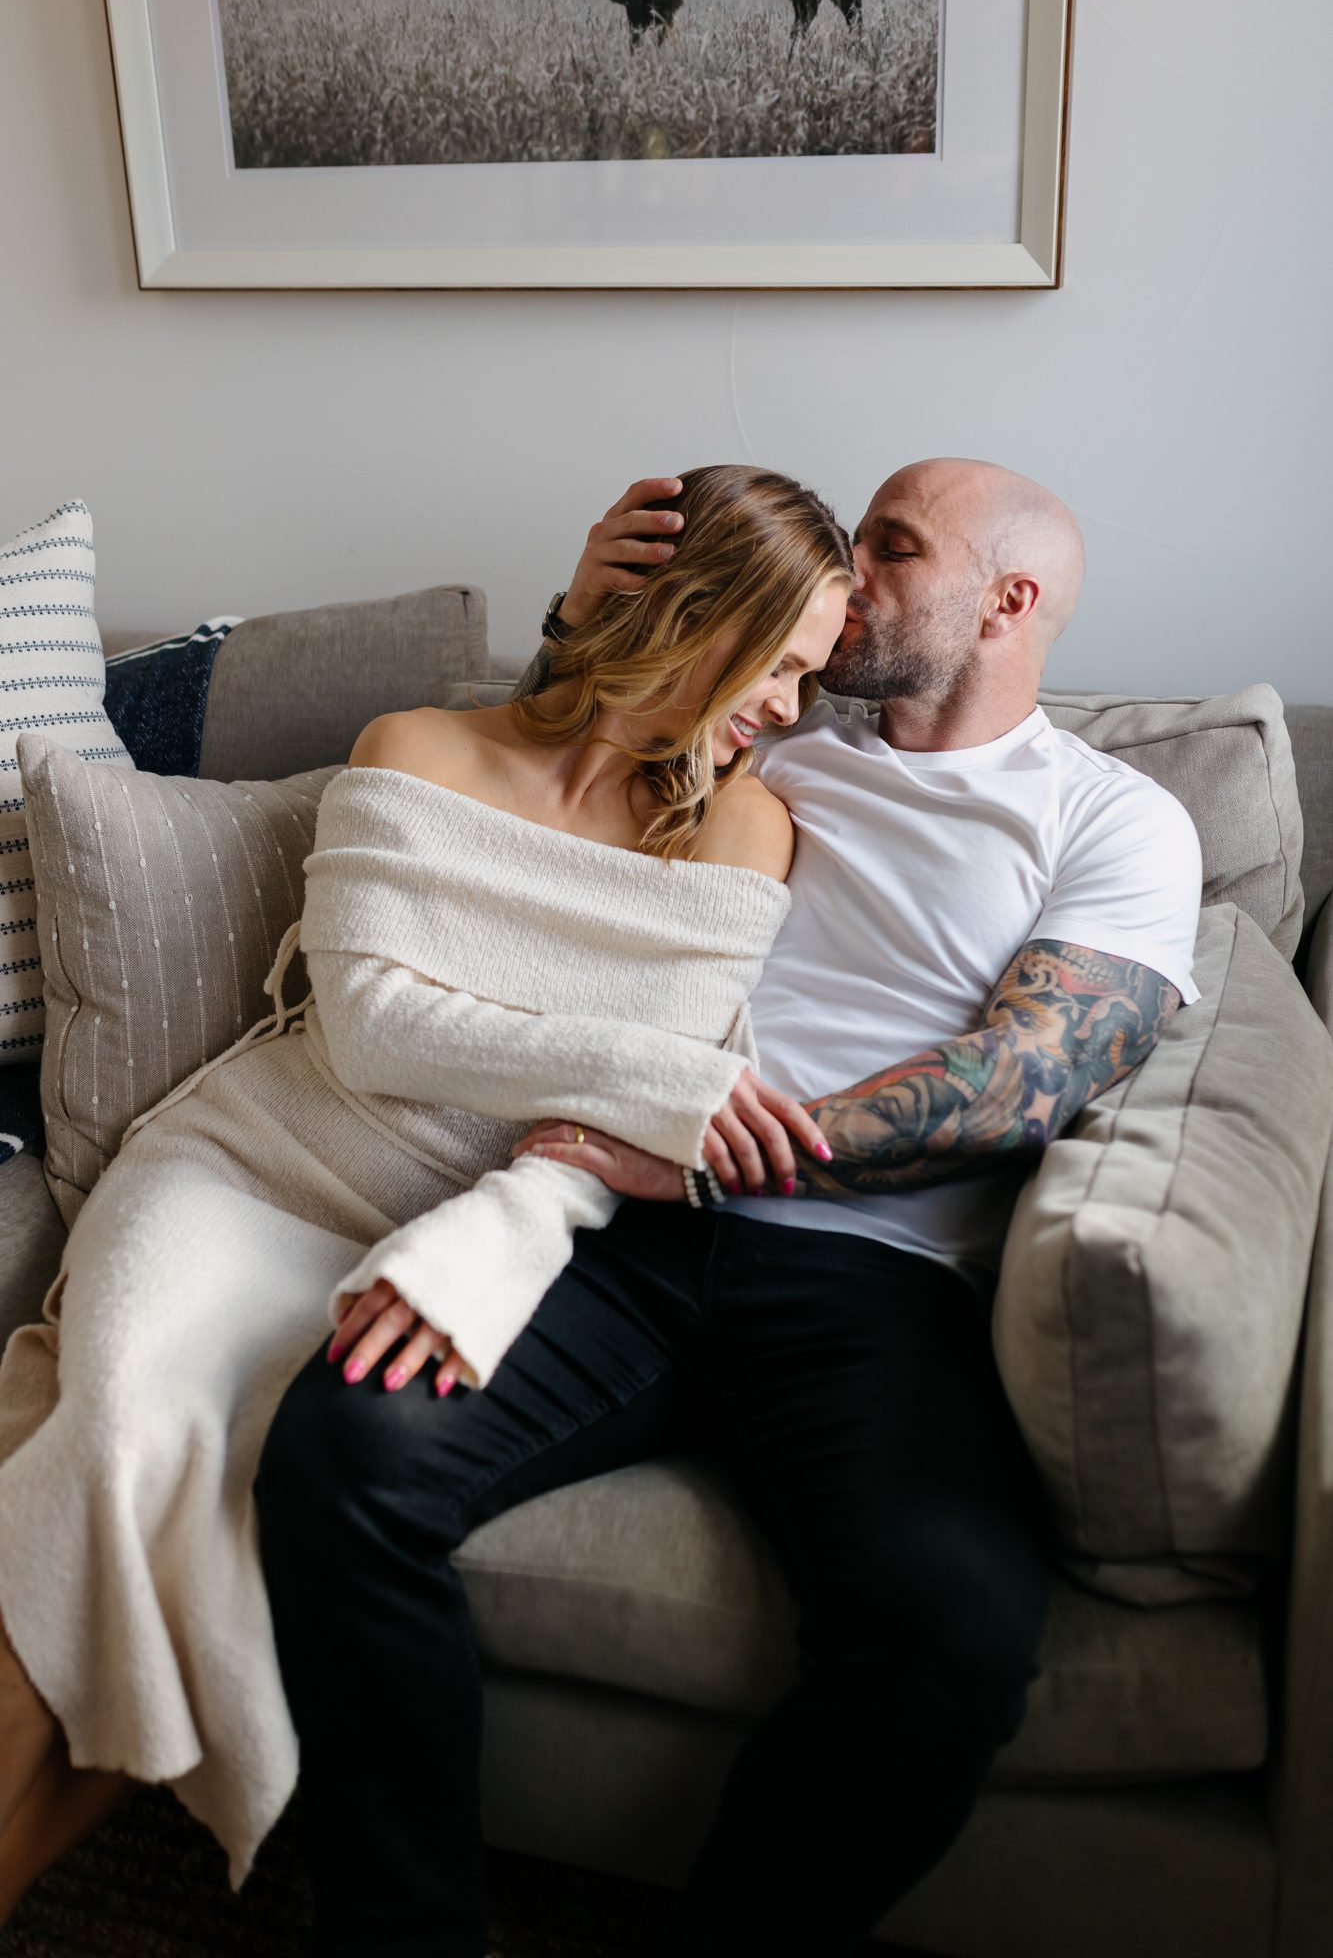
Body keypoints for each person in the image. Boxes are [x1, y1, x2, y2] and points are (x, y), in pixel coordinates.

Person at [256, 457, 1204, 1958]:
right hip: (611, 1230)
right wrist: (582, 616)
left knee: (950, 1634)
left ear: (1009, 600)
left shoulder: (1109, 816)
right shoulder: (760, 737)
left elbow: (1021, 1083)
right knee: (342, 1457)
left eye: (893, 548)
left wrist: (700, 1145)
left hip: (873, 1286)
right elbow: (516, 806)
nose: (851, 578)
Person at [0, 465, 851, 1924]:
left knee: (168, 1506)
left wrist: (519, 1216)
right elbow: (372, 1031)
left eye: (810, 676)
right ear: (690, 617)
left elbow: (615, 1128)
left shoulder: (739, 830)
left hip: (430, 1226)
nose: (786, 706)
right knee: (121, 1440)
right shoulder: (416, 746)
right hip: (241, 1175)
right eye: (775, 661)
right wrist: (657, 1081)